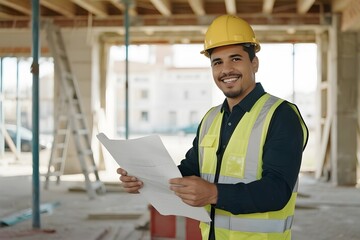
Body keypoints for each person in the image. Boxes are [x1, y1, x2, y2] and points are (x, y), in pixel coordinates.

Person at [117, 14, 308, 240]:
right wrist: (144, 179)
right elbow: (189, 170)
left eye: (235, 59)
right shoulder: (211, 118)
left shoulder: (281, 115)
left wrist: (214, 194)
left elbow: (277, 191)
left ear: (254, 62)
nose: (226, 69)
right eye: (217, 62)